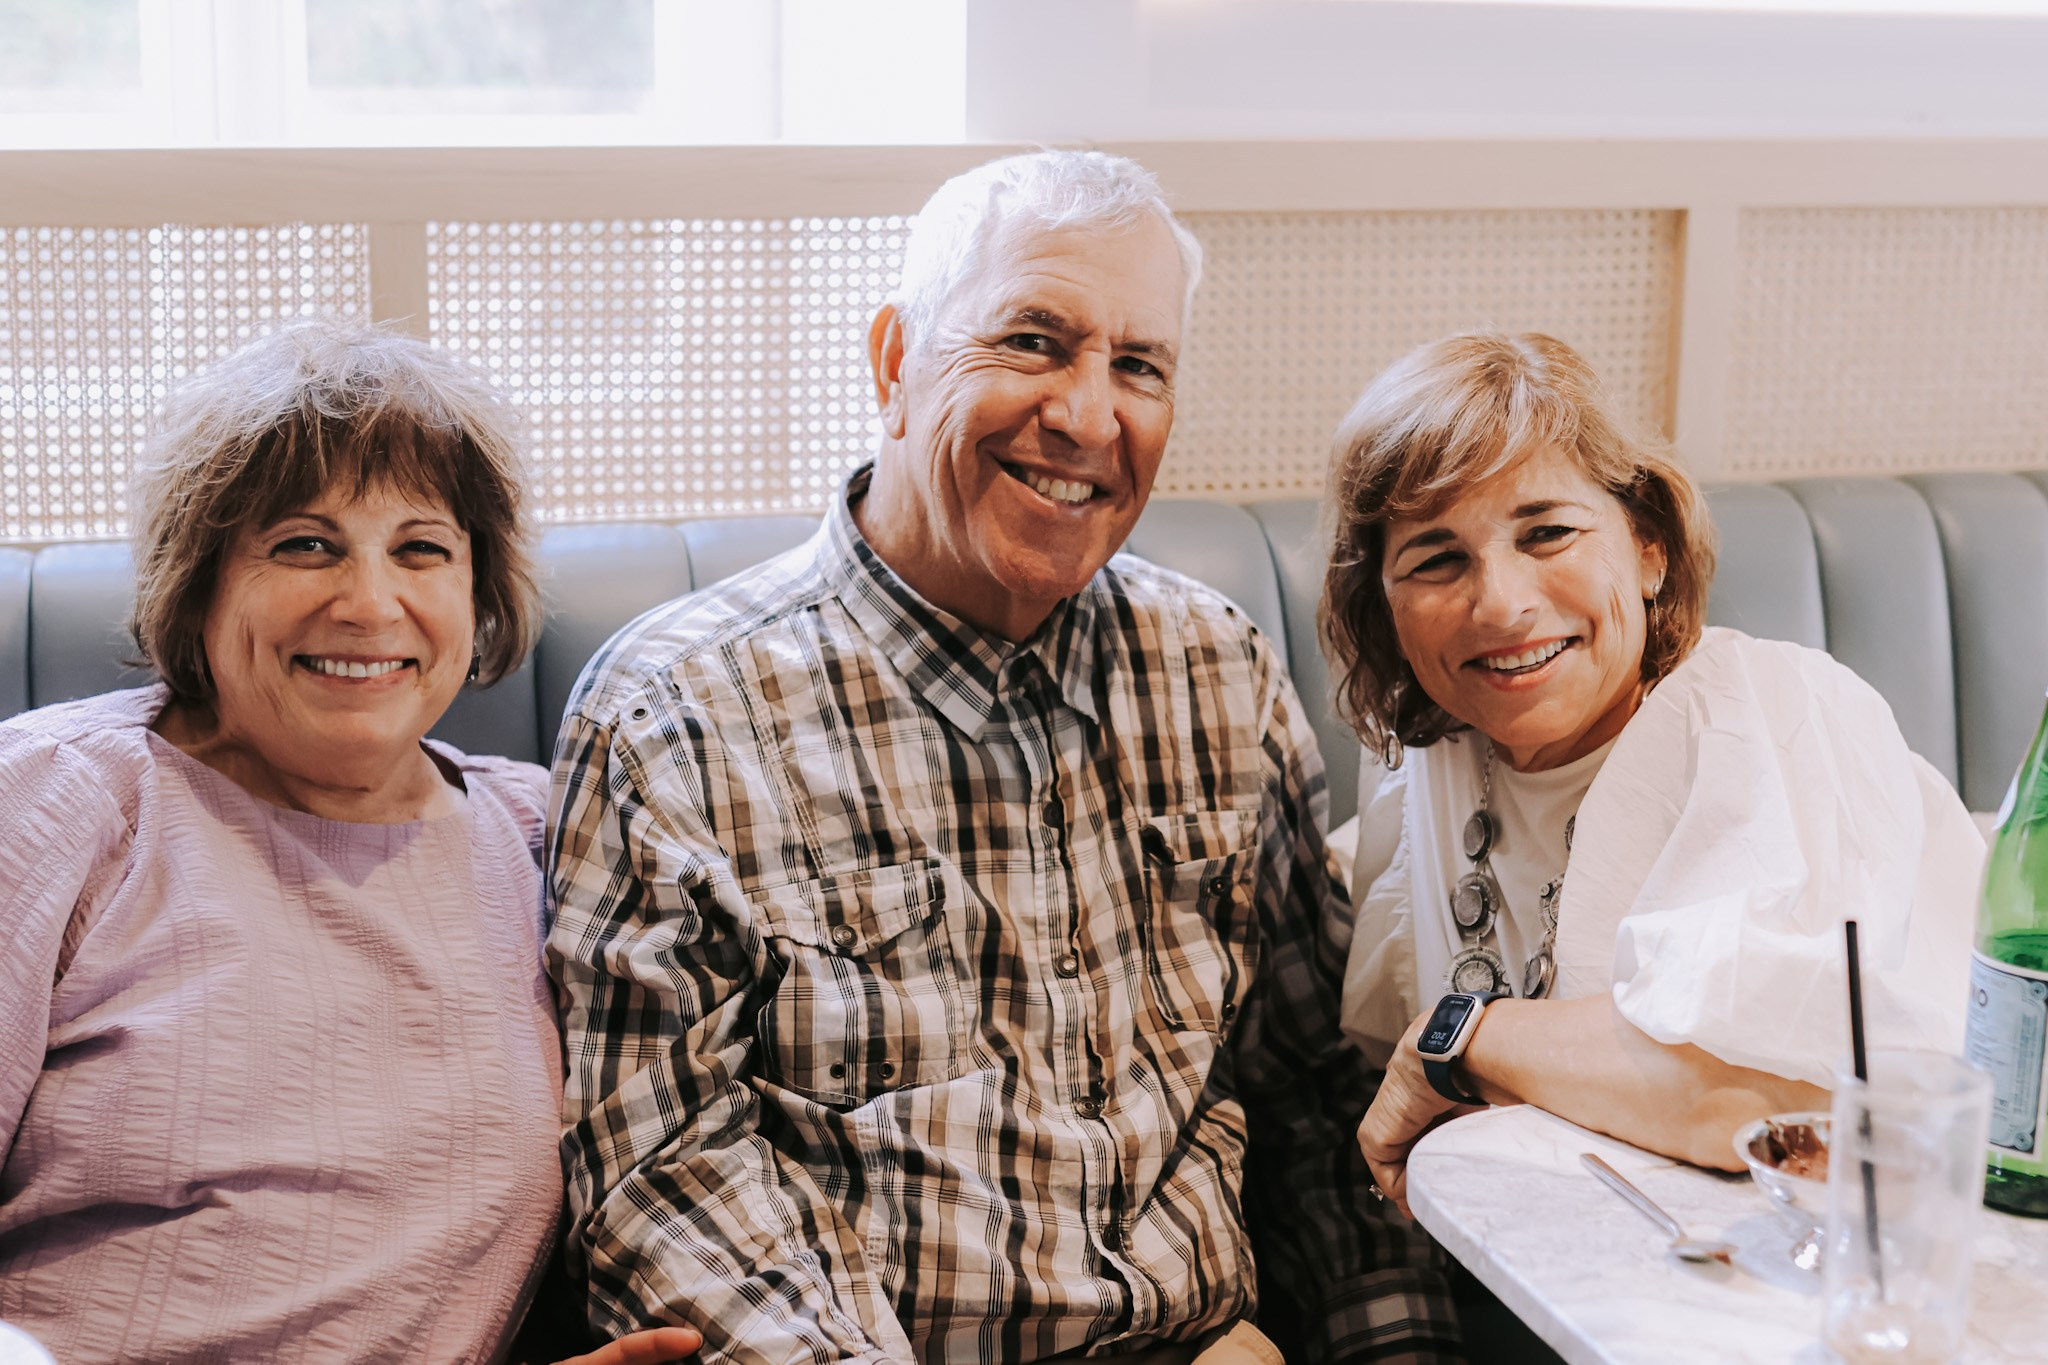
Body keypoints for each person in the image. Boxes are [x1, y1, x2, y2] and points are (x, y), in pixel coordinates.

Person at [548, 151, 1460, 1363]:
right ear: (894, 363)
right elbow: (662, 1178)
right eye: (1031, 341)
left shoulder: (1216, 670)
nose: (1088, 416)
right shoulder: (673, 714)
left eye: (1137, 366)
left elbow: (1313, 1096)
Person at [0, 318, 698, 1365]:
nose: (369, 603)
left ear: (477, 592)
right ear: (199, 583)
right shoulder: (64, 800)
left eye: (421, 549)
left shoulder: (549, 841)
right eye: (303, 545)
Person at [1323, 331, 1981, 1212]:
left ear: (1648, 546)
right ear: (1388, 609)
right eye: (1438, 559)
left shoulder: (1770, 718)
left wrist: (1464, 1039)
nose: (1502, 603)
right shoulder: (1424, 764)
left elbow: (1774, 1110)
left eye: (1547, 532)